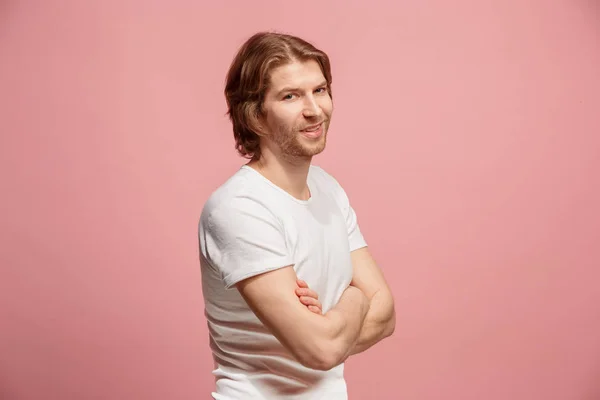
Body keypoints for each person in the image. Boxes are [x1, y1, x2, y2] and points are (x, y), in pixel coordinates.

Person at [198, 31, 396, 400]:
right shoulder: (240, 208)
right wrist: (356, 297)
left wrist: (333, 324)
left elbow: (386, 315)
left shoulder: (327, 188)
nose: (314, 109)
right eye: (290, 96)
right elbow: (319, 350)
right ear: (255, 116)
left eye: (319, 90)